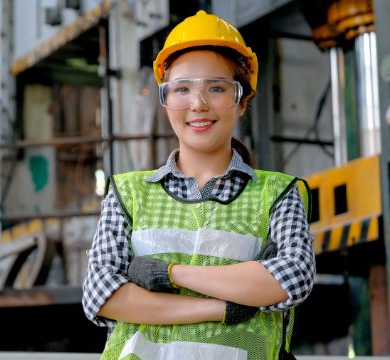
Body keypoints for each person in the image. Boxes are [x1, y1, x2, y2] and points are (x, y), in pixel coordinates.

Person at [82, 10, 315, 360]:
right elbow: (100, 295)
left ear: (242, 101)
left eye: (217, 88)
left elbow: (292, 279)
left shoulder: (278, 194)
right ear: (166, 101)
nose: (198, 104)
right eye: (182, 89)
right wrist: (222, 307)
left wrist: (169, 274)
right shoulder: (128, 194)